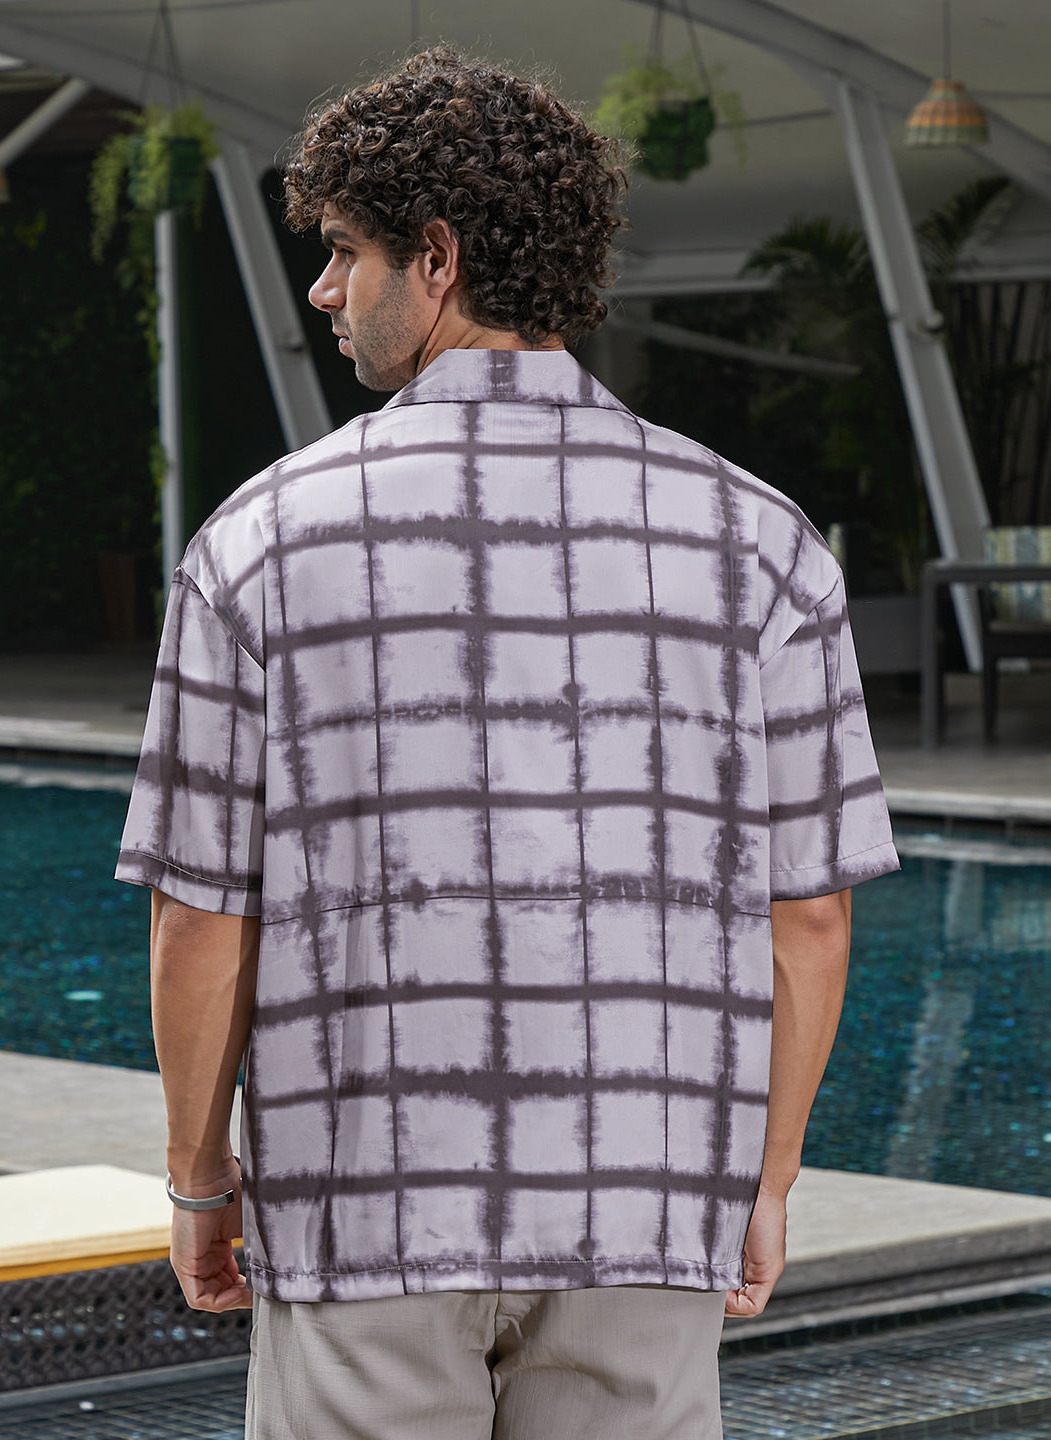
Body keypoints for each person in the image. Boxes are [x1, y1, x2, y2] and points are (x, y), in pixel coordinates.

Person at [116, 47, 899, 1440]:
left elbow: (203, 917)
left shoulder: (256, 545)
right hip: (648, 1200)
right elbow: (811, 915)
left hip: (363, 1202)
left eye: (344, 252)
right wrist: (766, 1178)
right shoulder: (765, 546)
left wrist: (200, 1180)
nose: (324, 290)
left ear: (437, 259)